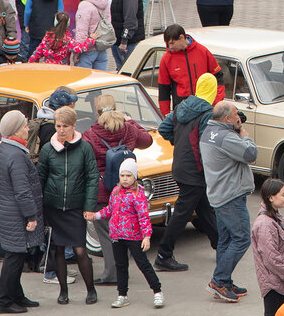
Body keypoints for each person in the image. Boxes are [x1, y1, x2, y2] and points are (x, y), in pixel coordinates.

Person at [82, 93, 154, 287]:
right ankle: (121, 269)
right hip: (128, 190)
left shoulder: (91, 134)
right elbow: (147, 140)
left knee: (107, 234)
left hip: (103, 189)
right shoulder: (128, 129)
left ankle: (112, 273)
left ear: (96, 112)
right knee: (127, 230)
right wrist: (132, 122)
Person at [155, 73, 220, 272]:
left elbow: (163, 128)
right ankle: (163, 254)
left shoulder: (182, 106)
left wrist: (179, 141)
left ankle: (221, 245)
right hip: (195, 169)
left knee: (203, 208)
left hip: (181, 165)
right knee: (183, 212)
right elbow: (206, 144)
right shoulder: (207, 112)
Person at [36, 105, 99, 305]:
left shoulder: (85, 148)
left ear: (73, 126)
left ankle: (91, 289)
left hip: (75, 208)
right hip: (54, 207)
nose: (61, 130)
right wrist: (40, 207)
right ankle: (63, 292)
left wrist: (89, 207)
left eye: (65, 126)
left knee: (81, 250)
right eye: (58, 126)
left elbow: (92, 178)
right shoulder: (47, 149)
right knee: (59, 250)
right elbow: (40, 178)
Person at [201, 100, 258, 303]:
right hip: (231, 196)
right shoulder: (227, 137)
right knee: (242, 238)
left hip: (219, 195)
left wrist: (236, 129)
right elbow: (250, 154)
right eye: (235, 114)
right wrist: (246, 137)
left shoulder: (209, 132)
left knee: (226, 241)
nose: (238, 117)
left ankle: (225, 282)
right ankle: (218, 281)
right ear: (226, 118)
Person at [88, 157, 163, 309]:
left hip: (134, 237)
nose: (125, 179)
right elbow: (110, 210)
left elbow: (144, 217)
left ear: (134, 177)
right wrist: (95, 215)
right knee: (121, 266)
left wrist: (147, 236)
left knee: (143, 264)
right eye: (122, 175)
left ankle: (157, 291)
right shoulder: (115, 192)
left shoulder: (138, 195)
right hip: (117, 236)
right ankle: (122, 295)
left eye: (128, 176)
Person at [0, 109, 43, 314]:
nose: (28, 128)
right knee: (14, 258)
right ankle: (4, 301)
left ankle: (17, 296)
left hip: (6, 212)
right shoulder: (17, 156)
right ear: (15, 130)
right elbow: (22, 191)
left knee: (17, 256)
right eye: (24, 126)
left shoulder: (3, 149)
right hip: (16, 215)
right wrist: (31, 216)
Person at [252, 178, 284, 316]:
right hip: (275, 285)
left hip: (281, 281)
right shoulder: (265, 225)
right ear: (271, 197)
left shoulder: (274, 216)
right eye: (283, 195)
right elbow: (272, 259)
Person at [105, 0, 143, 67]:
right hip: (117, 39)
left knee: (126, 70)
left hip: (127, 42)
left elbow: (130, 18)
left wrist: (124, 41)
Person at [73, 0, 111, 71]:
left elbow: (82, 30)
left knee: (84, 81)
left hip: (88, 49)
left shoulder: (84, 5)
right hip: (102, 46)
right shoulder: (104, 2)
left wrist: (77, 51)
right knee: (100, 81)